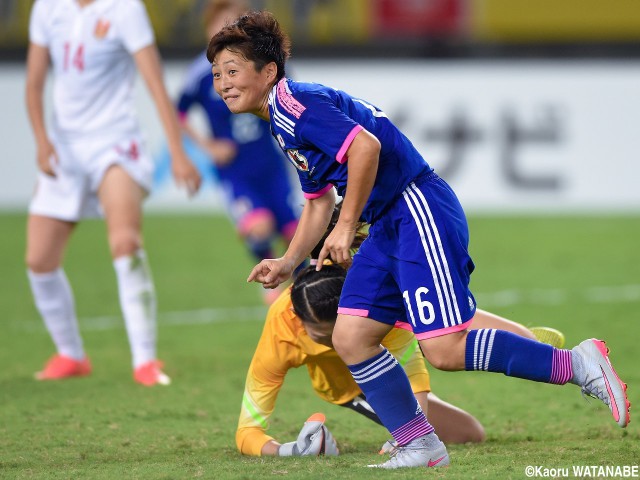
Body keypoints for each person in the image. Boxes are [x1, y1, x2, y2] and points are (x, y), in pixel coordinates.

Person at [208, 11, 630, 468]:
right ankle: (420, 443)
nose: (223, 83)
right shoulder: (283, 119)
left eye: (233, 71)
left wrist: (346, 226)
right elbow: (316, 201)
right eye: (217, 74)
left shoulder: (296, 105)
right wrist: (289, 262)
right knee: (351, 337)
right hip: (388, 222)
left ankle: (579, 365)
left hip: (414, 209)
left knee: (444, 349)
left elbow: (365, 147)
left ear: (267, 72)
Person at [237, 207, 566, 457]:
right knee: (469, 434)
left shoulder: (365, 308)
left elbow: (416, 378)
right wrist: (288, 450)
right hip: (356, 386)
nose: (337, 340)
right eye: (323, 335)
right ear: (298, 319)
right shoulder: (282, 331)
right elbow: (247, 431)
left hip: (396, 326)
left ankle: (531, 347)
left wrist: (407, 439)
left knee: (520, 338)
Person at [25, 0, 202, 386]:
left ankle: (145, 361)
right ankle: (71, 354)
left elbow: (155, 84)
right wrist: (41, 139)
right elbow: (35, 81)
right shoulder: (47, 8)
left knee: (124, 242)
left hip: (115, 144)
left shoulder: (124, 9)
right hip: (64, 148)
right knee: (39, 260)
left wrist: (177, 153)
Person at [176, 0, 300, 304]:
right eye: (220, 26)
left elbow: (289, 98)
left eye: (232, 25)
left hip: (269, 162)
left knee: (295, 232)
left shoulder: (260, 65)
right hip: (235, 169)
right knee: (259, 227)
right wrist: (207, 146)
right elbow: (176, 112)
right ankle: (269, 278)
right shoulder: (201, 74)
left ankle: (304, 289)